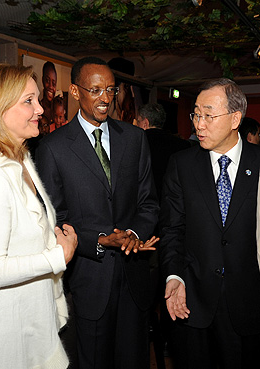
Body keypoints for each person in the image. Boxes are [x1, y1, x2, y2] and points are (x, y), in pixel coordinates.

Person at [0, 64, 78, 369]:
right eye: (28, 101)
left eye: (37, 99)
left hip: (25, 319)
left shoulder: (18, 159)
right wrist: (58, 256)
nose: (40, 108)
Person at [36, 56, 159, 369]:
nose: (106, 98)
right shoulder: (53, 147)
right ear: (76, 92)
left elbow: (148, 202)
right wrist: (100, 241)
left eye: (111, 90)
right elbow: (54, 219)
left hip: (134, 280)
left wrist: (133, 234)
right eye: (96, 90)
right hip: (88, 282)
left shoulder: (134, 139)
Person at [159, 78, 260, 369]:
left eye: (208, 115)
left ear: (235, 119)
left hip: (250, 303)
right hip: (194, 302)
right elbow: (172, 228)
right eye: (195, 114)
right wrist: (174, 277)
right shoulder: (182, 164)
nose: (198, 124)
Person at [136, 103, 190, 198]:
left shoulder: (137, 144)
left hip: (144, 200)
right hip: (172, 201)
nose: (136, 124)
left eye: (138, 121)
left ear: (145, 123)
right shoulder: (182, 145)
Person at [39, 61, 58, 136]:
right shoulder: (38, 110)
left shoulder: (58, 109)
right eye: (47, 80)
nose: (50, 86)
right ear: (42, 80)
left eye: (53, 83)